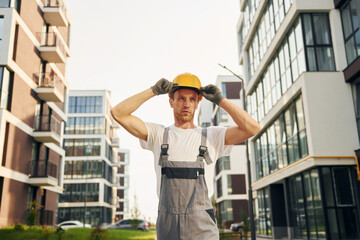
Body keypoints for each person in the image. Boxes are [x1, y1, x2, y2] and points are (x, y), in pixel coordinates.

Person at [110, 73, 260, 240]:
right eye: (181, 98)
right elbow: (118, 113)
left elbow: (252, 128)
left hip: (202, 230)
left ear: (197, 103)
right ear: (171, 101)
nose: (187, 104)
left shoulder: (212, 136)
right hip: (168, 229)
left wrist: (221, 101)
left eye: (192, 99)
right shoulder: (158, 135)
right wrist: (153, 91)